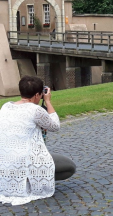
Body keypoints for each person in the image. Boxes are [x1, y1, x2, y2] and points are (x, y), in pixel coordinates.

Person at [0, 76, 76, 206]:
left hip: (5, 164)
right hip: (25, 161)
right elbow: (55, 126)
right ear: (37, 95)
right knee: (69, 167)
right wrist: (48, 102)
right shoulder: (35, 110)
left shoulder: (6, 107)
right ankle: (33, 182)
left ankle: (26, 180)